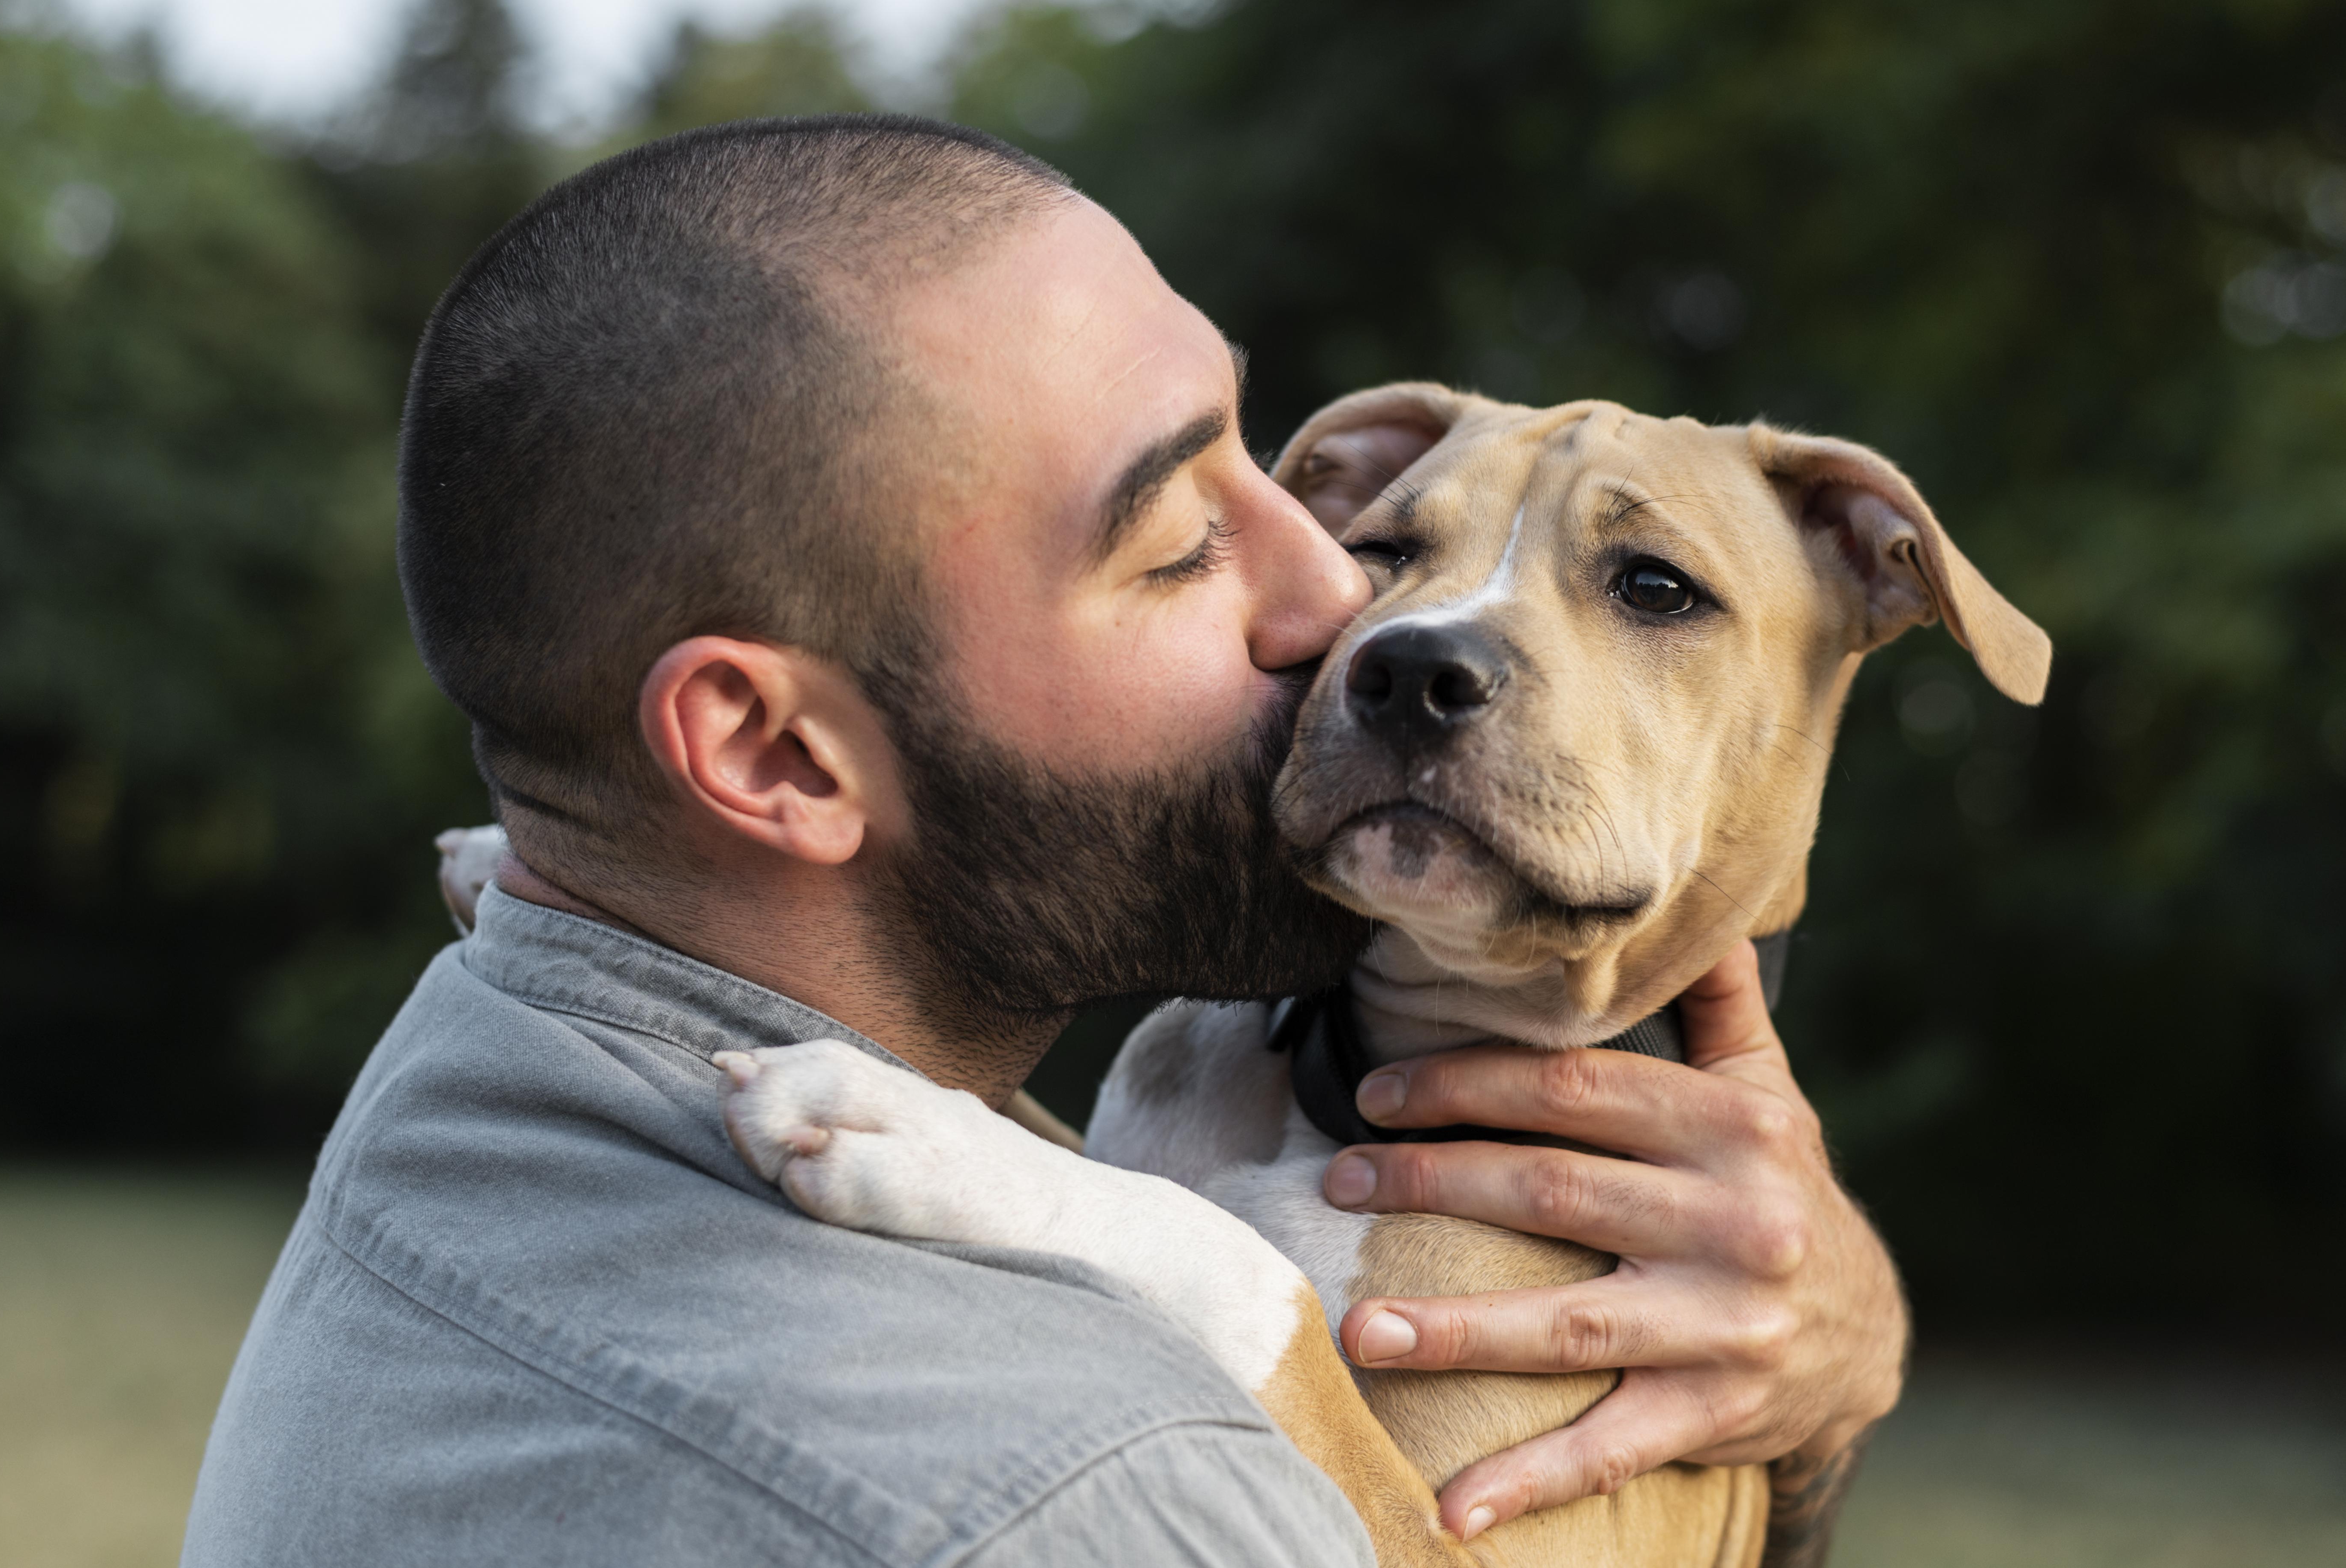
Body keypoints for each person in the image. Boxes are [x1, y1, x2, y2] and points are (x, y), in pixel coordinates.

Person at [182, 115, 1904, 1567]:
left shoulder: (497, 1061)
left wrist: (1817, 1401)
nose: (1334, 602)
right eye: (1174, 544)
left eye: (1284, 485)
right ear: (772, 754)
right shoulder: (1100, 1506)